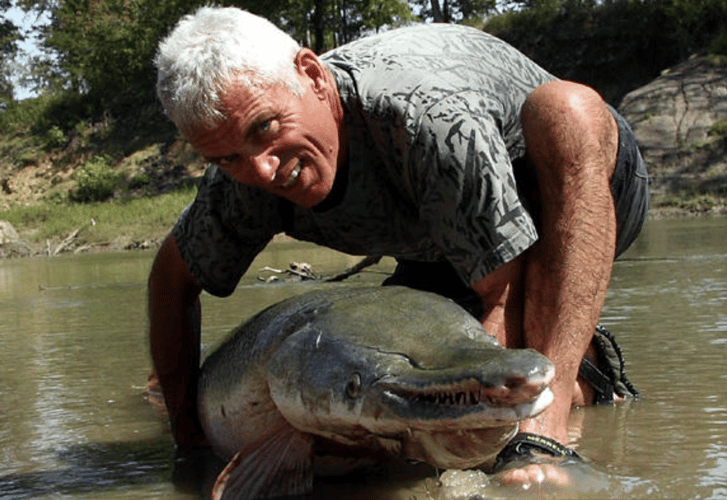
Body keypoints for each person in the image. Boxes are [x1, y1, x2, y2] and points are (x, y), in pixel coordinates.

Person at [149, 5, 648, 487]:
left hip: (565, 194)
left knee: (566, 110)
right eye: (229, 156)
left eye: (266, 128)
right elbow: (172, 282)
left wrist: (489, 429)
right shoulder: (243, 177)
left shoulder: (424, 116)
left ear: (312, 75)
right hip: (442, 244)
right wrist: (188, 441)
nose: (262, 169)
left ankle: (549, 422)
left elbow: (505, 287)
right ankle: (577, 372)